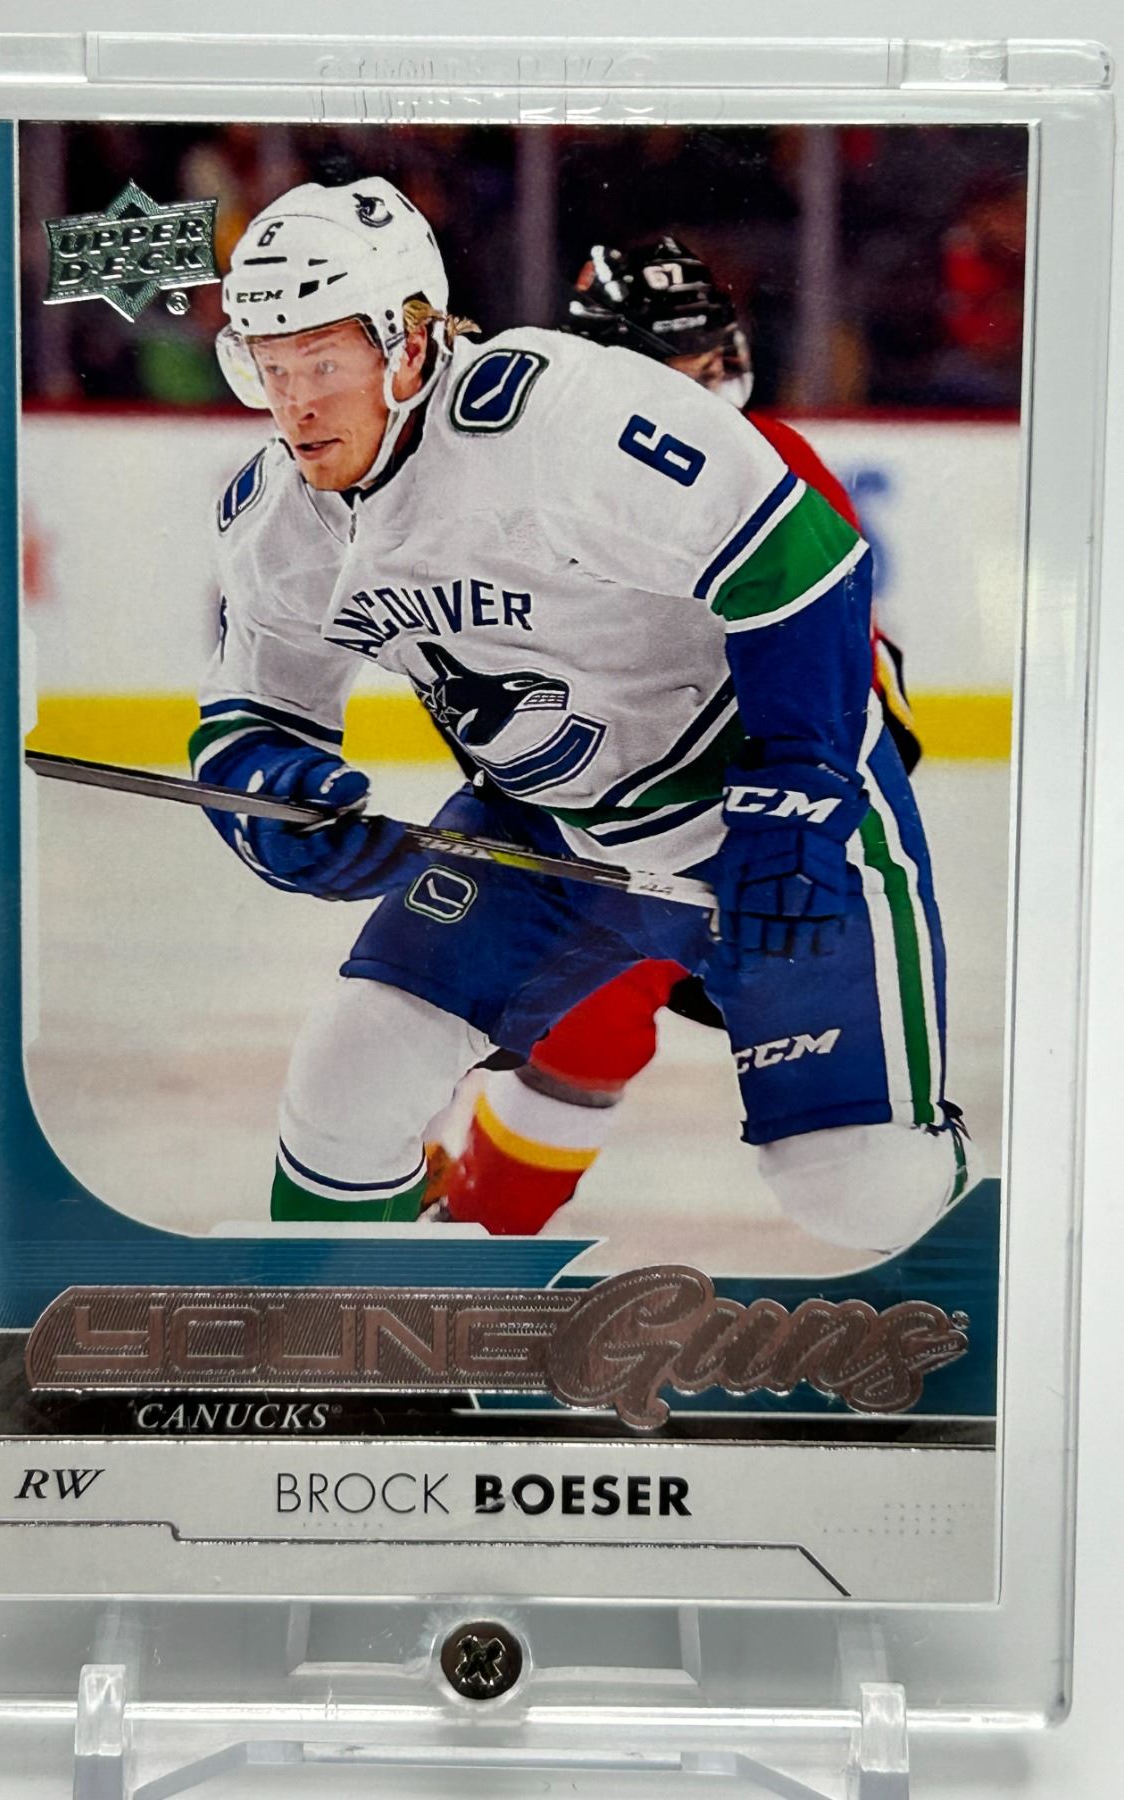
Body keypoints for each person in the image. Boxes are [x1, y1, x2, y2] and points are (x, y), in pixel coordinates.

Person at [191, 177, 969, 1256]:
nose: (295, 407)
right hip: (545, 829)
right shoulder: (277, 517)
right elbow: (251, 715)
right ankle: (353, 1312)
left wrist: (798, 792)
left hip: (744, 815)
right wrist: (277, 804)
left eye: (322, 363)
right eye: (268, 368)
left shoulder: (559, 417)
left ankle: (981, 1221)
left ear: (410, 341)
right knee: (349, 1077)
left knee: (858, 1188)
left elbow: (804, 567)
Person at [435, 236, 925, 1236]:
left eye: (709, 362)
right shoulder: (515, 489)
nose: (703, 390)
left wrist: (787, 843)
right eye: (676, 370)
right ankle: (471, 1236)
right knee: (578, 1036)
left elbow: (864, 702)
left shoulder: (774, 465)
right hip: (606, 835)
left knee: (847, 1148)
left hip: (749, 831)